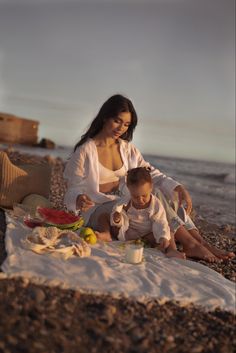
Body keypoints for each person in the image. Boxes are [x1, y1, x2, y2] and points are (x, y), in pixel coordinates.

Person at [63, 94, 234, 262]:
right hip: (102, 212)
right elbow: (72, 190)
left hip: (129, 206)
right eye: (117, 121)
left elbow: (150, 174)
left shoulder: (128, 149)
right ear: (105, 117)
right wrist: (79, 199)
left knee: (160, 192)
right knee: (155, 196)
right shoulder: (85, 151)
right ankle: (190, 243)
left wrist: (177, 187)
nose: (121, 128)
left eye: (126, 124)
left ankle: (198, 242)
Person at [96, 167, 186, 259]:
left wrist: (163, 237)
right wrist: (117, 219)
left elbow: (160, 221)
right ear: (129, 189)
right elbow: (118, 212)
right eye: (135, 196)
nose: (140, 200)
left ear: (151, 187)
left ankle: (172, 250)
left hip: (147, 236)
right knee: (103, 216)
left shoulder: (155, 205)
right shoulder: (126, 201)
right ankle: (106, 234)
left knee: (168, 230)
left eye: (144, 195)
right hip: (128, 233)